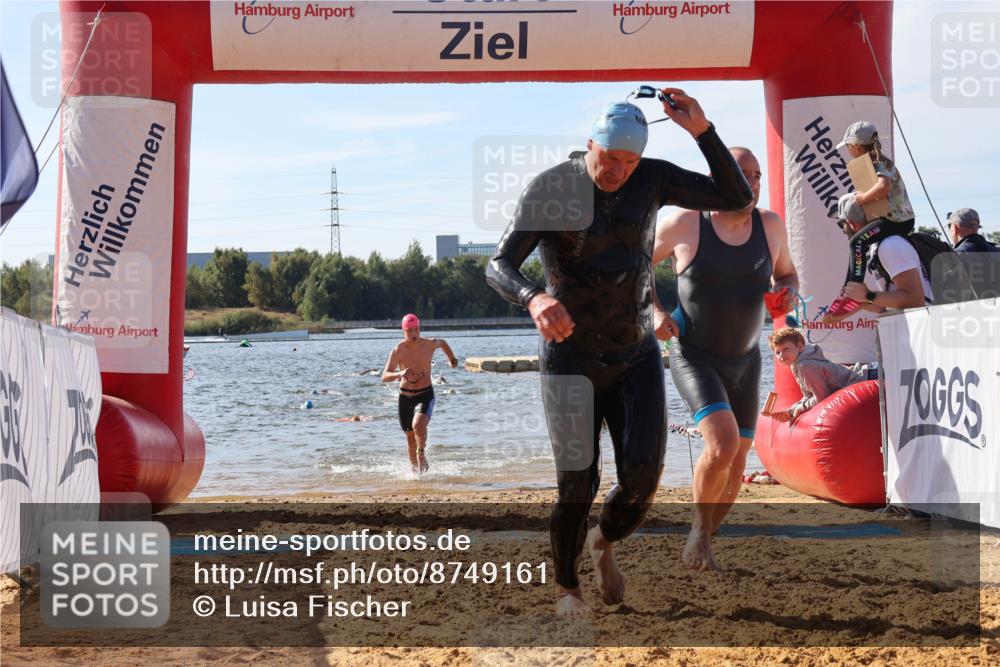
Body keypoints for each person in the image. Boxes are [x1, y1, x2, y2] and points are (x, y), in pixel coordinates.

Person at [486, 88, 753, 615]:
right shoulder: (553, 188)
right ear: (591, 144)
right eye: (610, 160)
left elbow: (734, 196)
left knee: (640, 484)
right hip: (570, 359)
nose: (619, 172)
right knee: (577, 484)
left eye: (629, 162)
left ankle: (601, 544)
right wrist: (532, 296)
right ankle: (568, 590)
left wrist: (703, 131)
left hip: (635, 356)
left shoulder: (651, 177)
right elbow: (498, 264)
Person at [652, 146, 798, 571]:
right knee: (723, 442)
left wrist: (786, 288)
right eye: (741, 174)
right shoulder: (686, 221)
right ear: (718, 178)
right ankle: (698, 532)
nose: (750, 182)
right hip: (693, 353)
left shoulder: (769, 225)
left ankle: (702, 541)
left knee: (737, 461)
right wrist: (656, 311)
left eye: (756, 175)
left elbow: (786, 272)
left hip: (746, 358)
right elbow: (637, 264)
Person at [826, 121, 916, 319]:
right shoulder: (876, 161)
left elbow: (883, 187)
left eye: (848, 147)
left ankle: (854, 292)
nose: (848, 151)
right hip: (897, 219)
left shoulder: (877, 162)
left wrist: (863, 198)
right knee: (858, 242)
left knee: (857, 241)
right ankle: (848, 291)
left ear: (856, 146)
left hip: (898, 221)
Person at [826, 193, 931, 321]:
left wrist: (868, 296)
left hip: (922, 331)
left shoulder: (890, 245)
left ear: (851, 223)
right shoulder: (878, 247)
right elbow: (891, 306)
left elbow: (915, 301)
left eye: (841, 224)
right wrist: (862, 301)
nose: (842, 229)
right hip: (910, 330)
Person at [380, 314, 458, 473]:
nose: (414, 334)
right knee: (410, 438)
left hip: (425, 394)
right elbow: (384, 376)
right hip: (405, 397)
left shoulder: (428, 344)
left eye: (416, 330)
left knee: (418, 425)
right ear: (404, 331)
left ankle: (421, 454)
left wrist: (452, 359)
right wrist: (399, 374)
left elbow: (442, 343)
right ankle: (416, 474)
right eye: (409, 331)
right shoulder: (398, 350)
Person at [768, 327, 863, 423]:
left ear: (800, 346)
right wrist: (791, 411)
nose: (781, 355)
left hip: (864, 378)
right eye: (778, 352)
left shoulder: (805, 366)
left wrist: (800, 408)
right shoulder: (796, 363)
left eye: (786, 349)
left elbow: (822, 397)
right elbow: (809, 395)